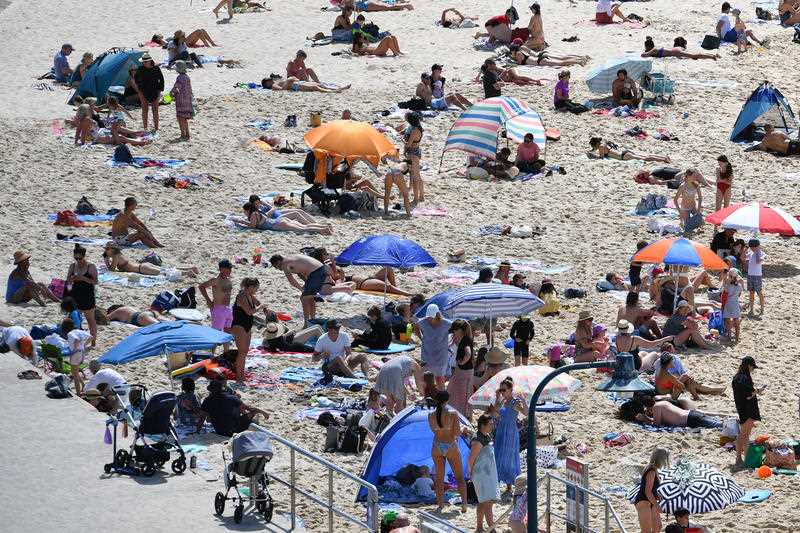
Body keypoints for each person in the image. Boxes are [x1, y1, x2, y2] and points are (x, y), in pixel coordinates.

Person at [427, 391, 468, 513]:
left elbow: (434, 431)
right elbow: (456, 433)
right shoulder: (453, 414)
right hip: (450, 444)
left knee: (439, 478)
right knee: (460, 477)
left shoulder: (430, 415)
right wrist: (464, 429)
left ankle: (440, 505)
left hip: (437, 445)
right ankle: (464, 505)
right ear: (447, 400)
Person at [490, 377, 526, 496]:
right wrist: (497, 398)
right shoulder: (502, 401)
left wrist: (524, 401)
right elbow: (494, 413)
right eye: (500, 390)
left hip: (510, 432)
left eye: (504, 390)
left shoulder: (515, 402)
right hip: (501, 431)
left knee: (509, 457)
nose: (502, 392)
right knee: (499, 455)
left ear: (511, 390)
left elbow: (526, 413)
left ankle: (510, 485)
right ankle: (505, 484)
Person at [269, 253, 330, 325]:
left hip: (316, 273)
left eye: (276, 266)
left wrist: (302, 289)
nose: (278, 268)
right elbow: (300, 273)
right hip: (320, 269)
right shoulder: (290, 258)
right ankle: (313, 319)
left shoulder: (284, 264)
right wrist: (306, 284)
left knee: (304, 298)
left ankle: (307, 323)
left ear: (278, 262)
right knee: (309, 297)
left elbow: (291, 281)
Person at [230, 278, 271, 382]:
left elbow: (258, 303)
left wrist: (265, 309)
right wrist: (260, 307)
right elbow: (249, 312)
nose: (256, 290)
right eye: (256, 288)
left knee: (245, 352)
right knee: (241, 352)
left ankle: (241, 374)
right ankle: (238, 376)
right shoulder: (241, 296)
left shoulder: (250, 295)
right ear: (251, 287)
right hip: (239, 326)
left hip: (247, 325)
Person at [196, 380, 269, 437]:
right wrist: (263, 412)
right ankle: (257, 416)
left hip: (220, 431)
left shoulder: (207, 401)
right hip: (235, 429)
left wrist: (197, 431)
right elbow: (250, 408)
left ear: (210, 390)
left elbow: (202, 418)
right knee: (252, 413)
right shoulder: (231, 398)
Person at [467, 414, 499, 532]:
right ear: (482, 425)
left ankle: (479, 528)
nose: (492, 426)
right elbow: (471, 460)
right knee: (487, 502)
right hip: (481, 475)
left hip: (488, 473)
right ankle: (492, 529)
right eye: (490, 424)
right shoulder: (477, 440)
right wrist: (470, 474)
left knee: (483, 502)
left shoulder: (487, 436)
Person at [732, 356, 763, 470]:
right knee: (744, 434)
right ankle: (738, 459)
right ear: (749, 366)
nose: (753, 369)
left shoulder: (738, 377)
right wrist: (757, 391)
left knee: (746, 434)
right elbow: (748, 395)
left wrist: (755, 392)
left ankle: (745, 458)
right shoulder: (743, 378)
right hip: (747, 410)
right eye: (752, 367)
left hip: (743, 408)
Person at [655, 352, 725, 400]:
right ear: (668, 362)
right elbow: (680, 385)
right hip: (671, 396)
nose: (673, 363)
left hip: (667, 391)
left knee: (688, 379)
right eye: (671, 361)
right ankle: (704, 393)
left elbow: (672, 381)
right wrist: (686, 382)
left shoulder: (661, 370)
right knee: (686, 378)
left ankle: (701, 394)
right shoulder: (666, 374)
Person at [65, 244, 97, 348]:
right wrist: (71, 279)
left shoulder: (90, 266)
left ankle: (93, 342)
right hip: (75, 297)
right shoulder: (72, 266)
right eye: (76, 258)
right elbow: (68, 282)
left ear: (84, 256)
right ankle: (76, 342)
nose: (78, 260)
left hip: (87, 296)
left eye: (80, 258)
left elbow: (95, 281)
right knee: (75, 320)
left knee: (90, 320)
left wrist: (82, 278)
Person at [102, 243, 198, 277]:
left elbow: (112, 270)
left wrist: (106, 261)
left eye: (107, 249)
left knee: (165, 273)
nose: (106, 251)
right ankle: (190, 268)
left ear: (112, 249)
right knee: (166, 269)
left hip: (142, 269)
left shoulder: (115, 256)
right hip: (143, 266)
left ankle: (188, 272)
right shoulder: (119, 254)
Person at [237, 201, 334, 234]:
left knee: (303, 229)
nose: (244, 213)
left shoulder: (253, 214)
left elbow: (252, 226)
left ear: (248, 210)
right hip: (280, 221)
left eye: (245, 211)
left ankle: (323, 229)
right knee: (303, 227)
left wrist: (241, 221)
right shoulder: (258, 212)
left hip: (278, 224)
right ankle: (324, 227)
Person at [633, 448, 669, 533]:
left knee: (658, 526)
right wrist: (657, 505)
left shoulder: (654, 469)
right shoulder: (651, 471)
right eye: (665, 459)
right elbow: (647, 492)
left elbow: (651, 488)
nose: (666, 461)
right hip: (643, 501)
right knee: (646, 531)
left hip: (650, 501)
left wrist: (656, 494)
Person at [418, 304, 453, 389]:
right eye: (428, 317)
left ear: (437, 315)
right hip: (427, 353)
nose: (429, 319)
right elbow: (416, 326)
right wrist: (420, 337)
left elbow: (456, 330)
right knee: (427, 377)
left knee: (439, 377)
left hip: (440, 354)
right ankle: (428, 395)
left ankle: (441, 396)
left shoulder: (446, 323)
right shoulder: (423, 322)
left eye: (431, 317)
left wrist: (452, 341)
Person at [200, 259, 234, 342]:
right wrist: (208, 300)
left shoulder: (228, 280)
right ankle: (211, 353)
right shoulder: (216, 280)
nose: (230, 270)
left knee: (227, 334)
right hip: (218, 308)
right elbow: (201, 287)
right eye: (228, 268)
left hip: (227, 309)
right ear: (221, 269)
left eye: (230, 268)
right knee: (215, 334)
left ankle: (226, 353)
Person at [447, 320, 474, 419]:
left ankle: (464, 415)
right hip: (462, 370)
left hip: (465, 371)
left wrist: (462, 361)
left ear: (460, 330)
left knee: (463, 393)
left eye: (455, 330)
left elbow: (468, 353)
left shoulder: (466, 340)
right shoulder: (464, 338)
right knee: (457, 390)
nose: (453, 331)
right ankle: (461, 413)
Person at [134, 53, 164, 131]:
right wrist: (139, 91)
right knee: (145, 109)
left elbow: (161, 80)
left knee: (155, 110)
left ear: (150, 61)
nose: (144, 63)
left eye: (145, 62)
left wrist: (160, 91)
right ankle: (145, 128)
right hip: (143, 91)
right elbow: (136, 80)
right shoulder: (140, 69)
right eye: (143, 62)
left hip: (155, 91)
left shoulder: (156, 68)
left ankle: (156, 128)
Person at [509, 40, 588, 67]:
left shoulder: (518, 54)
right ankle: (581, 57)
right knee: (562, 58)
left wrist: (513, 60)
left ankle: (579, 61)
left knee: (561, 63)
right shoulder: (522, 49)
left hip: (540, 61)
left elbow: (519, 64)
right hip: (541, 56)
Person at [589, 136, 670, 163]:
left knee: (645, 158)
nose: (594, 148)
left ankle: (663, 160)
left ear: (596, 145)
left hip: (623, 156)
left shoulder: (601, 147)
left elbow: (601, 157)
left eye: (593, 147)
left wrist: (593, 156)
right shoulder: (603, 143)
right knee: (646, 155)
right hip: (624, 151)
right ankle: (663, 157)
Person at [403, 112, 424, 205]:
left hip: (412, 153)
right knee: (416, 175)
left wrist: (402, 140)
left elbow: (408, 144)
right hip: (415, 151)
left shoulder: (415, 130)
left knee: (415, 177)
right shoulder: (417, 127)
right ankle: (421, 196)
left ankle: (416, 199)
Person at [170, 61, 194, 141]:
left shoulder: (179, 77)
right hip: (187, 99)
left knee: (180, 117)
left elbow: (177, 88)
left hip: (181, 100)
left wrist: (171, 93)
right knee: (185, 118)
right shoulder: (187, 77)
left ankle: (182, 134)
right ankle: (187, 133)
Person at [642, 36, 720, 60]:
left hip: (676, 51)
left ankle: (712, 56)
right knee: (693, 56)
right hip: (675, 51)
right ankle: (712, 55)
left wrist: (646, 53)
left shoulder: (654, 50)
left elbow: (644, 55)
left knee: (694, 56)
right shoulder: (654, 50)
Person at [745, 238, 766, 316]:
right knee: (751, 293)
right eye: (751, 247)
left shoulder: (761, 253)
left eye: (754, 247)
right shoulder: (750, 253)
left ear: (758, 246)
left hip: (757, 276)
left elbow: (758, 261)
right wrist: (744, 250)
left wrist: (757, 251)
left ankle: (762, 309)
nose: (752, 249)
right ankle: (751, 309)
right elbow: (742, 258)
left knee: (759, 292)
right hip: (750, 275)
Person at [260, 75, 350, 93]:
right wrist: (289, 80)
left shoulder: (275, 82)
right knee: (315, 87)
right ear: (267, 83)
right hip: (294, 86)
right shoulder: (273, 86)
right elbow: (283, 89)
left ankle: (339, 88)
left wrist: (291, 79)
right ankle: (332, 92)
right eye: (268, 80)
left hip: (296, 82)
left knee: (318, 84)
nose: (270, 79)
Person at [723, 269, 744, 343]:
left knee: (728, 321)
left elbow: (725, 291)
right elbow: (739, 294)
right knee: (736, 321)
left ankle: (729, 336)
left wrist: (725, 281)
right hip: (735, 304)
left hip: (728, 304)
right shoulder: (739, 286)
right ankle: (737, 338)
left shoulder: (728, 286)